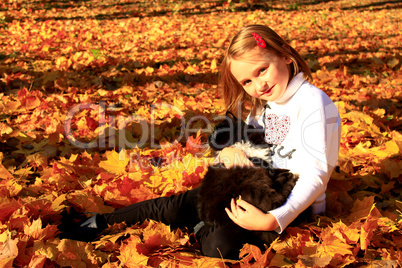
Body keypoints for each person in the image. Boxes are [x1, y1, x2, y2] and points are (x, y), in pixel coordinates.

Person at [58, 24, 341, 260]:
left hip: (287, 207)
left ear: (286, 57)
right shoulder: (264, 104)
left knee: (221, 248)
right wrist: (230, 150)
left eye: (262, 70)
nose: (259, 86)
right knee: (174, 205)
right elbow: (242, 139)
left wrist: (274, 220)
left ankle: (200, 226)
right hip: (253, 188)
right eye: (247, 82)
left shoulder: (313, 102)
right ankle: (100, 221)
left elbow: (316, 173)